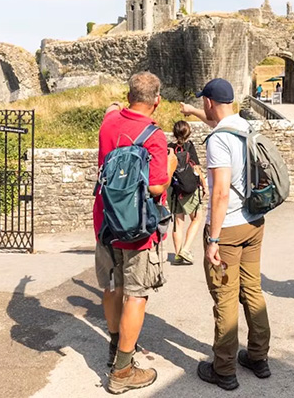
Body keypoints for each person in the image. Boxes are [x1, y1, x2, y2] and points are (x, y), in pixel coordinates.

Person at [180, 79, 271, 391]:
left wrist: (213, 239)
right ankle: (258, 357)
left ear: (209, 101)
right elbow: (215, 120)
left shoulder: (218, 140)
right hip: (254, 220)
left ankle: (224, 369)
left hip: (229, 227)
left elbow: (220, 192)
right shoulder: (244, 127)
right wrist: (194, 111)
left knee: (226, 297)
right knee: (253, 291)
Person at [94, 71, 178, 394]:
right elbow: (156, 185)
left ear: (129, 95)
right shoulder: (154, 136)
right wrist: (170, 168)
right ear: (157, 100)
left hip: (106, 221)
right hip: (139, 227)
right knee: (136, 294)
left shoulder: (109, 123)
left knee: (112, 286)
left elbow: (110, 113)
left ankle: (115, 347)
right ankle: (123, 370)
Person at [168, 120, 208, 265]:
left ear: (174, 132)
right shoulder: (189, 146)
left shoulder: (169, 148)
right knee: (197, 218)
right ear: (188, 132)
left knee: (178, 222)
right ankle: (185, 249)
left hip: (174, 190)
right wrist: (204, 185)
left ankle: (178, 255)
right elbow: (196, 168)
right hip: (190, 188)